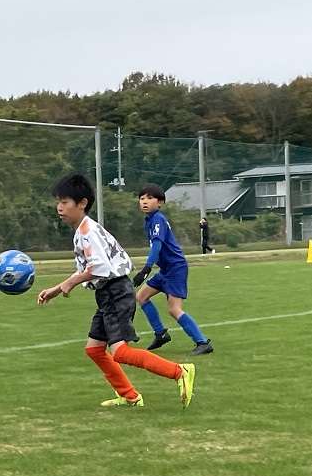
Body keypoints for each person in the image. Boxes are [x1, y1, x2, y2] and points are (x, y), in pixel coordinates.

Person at [37, 173, 196, 409]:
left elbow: (99, 268)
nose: (59, 207)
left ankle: (180, 371)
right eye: (58, 202)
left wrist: (70, 283)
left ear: (82, 203)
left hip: (116, 292)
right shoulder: (82, 231)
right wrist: (57, 288)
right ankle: (130, 396)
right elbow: (89, 268)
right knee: (94, 349)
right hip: (108, 293)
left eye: (64, 202)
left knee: (120, 352)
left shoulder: (88, 232)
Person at [133, 184, 214, 355]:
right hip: (166, 270)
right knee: (141, 296)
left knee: (174, 309)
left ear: (160, 203)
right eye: (142, 198)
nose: (144, 201)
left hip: (175, 268)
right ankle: (160, 334)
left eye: (150, 198)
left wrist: (146, 268)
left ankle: (202, 342)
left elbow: (157, 245)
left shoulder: (158, 219)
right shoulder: (150, 220)